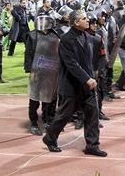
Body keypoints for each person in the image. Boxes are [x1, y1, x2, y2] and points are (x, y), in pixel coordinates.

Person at [42, 10, 107, 157]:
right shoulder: (66, 40)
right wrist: (86, 78)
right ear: (76, 22)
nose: (87, 20)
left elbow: (88, 60)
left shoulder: (87, 36)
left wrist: (93, 74)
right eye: (84, 19)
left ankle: (92, 145)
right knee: (64, 115)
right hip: (72, 85)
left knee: (92, 114)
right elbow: (71, 64)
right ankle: (50, 138)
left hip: (88, 85)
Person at [24, 15, 60, 136]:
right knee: (34, 98)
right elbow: (28, 53)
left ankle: (47, 120)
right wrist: (30, 71)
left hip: (51, 70)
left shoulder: (55, 35)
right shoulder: (32, 35)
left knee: (49, 97)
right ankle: (33, 123)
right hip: (37, 71)